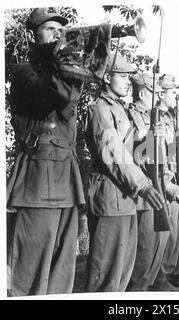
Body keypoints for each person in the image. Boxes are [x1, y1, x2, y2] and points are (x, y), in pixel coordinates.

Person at [6, 7, 86, 296]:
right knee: (29, 274)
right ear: (32, 34)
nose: (57, 33)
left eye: (59, 28)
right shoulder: (24, 73)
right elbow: (54, 95)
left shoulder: (63, 70)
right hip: (37, 184)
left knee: (61, 272)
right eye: (49, 28)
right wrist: (64, 62)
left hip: (66, 179)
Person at [84, 54, 165, 292]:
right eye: (122, 75)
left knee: (121, 275)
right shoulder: (99, 109)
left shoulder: (121, 110)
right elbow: (113, 151)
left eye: (129, 76)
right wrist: (143, 184)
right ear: (107, 77)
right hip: (109, 197)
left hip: (125, 198)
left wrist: (152, 138)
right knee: (104, 274)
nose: (127, 81)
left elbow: (135, 153)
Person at [127, 73, 179, 291]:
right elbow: (137, 154)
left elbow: (168, 155)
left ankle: (158, 281)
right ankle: (139, 291)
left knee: (163, 239)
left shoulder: (160, 119)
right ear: (143, 93)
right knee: (146, 246)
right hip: (148, 186)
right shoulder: (133, 115)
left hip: (164, 183)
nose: (159, 96)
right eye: (155, 92)